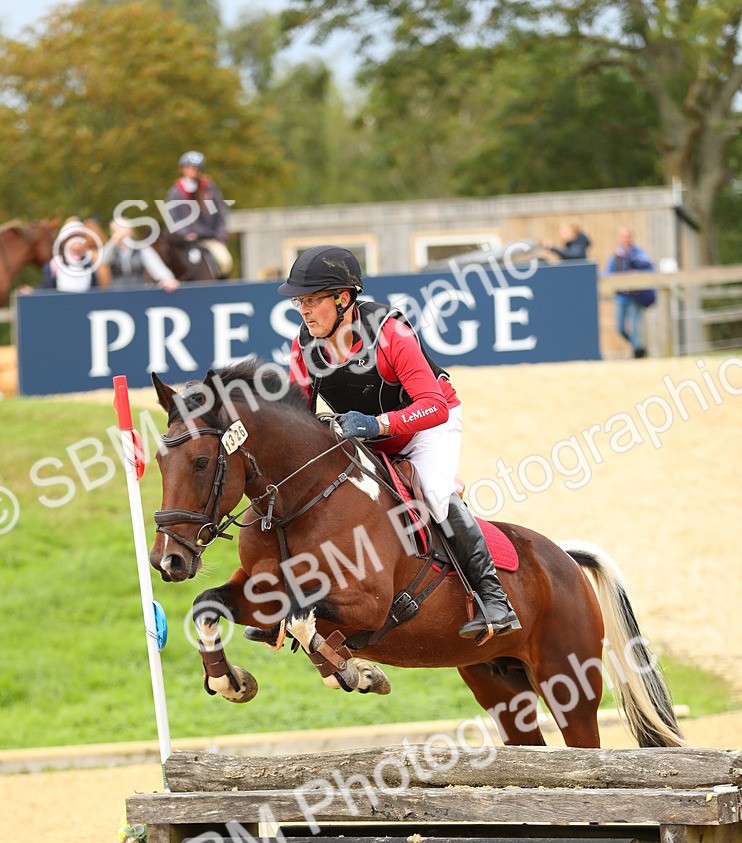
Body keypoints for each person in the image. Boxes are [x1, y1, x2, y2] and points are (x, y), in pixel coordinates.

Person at [277, 245, 521, 640]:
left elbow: (435, 406)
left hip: (426, 426)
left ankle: (495, 599)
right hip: (366, 431)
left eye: (311, 300)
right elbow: (298, 420)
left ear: (343, 298)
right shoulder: (303, 346)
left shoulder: (392, 334)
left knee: (437, 494)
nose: (303, 310)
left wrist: (376, 425)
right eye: (299, 302)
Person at [165, 151, 232, 279]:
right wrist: (185, 234)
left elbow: (221, 213)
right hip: (185, 241)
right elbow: (172, 218)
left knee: (225, 261)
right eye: (188, 167)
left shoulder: (209, 188)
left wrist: (220, 236)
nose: (192, 171)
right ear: (182, 168)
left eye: (196, 168)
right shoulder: (175, 192)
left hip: (209, 238)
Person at [606, 227, 655, 358]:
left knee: (634, 327)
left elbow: (650, 270)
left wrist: (636, 274)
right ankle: (638, 347)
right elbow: (608, 273)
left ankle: (637, 353)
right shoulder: (616, 255)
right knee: (620, 328)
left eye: (627, 236)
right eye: (623, 236)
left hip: (635, 296)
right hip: (621, 296)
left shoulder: (640, 254)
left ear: (632, 238)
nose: (625, 239)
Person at [103, 218, 179, 292]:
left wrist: (168, 279)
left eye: (120, 229)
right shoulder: (112, 250)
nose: (118, 233)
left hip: (139, 292)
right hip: (116, 293)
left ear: (130, 231)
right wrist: (112, 242)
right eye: (114, 231)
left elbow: (156, 266)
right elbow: (102, 261)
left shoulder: (141, 248)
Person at [39, 219, 100, 292]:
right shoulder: (55, 263)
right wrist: (33, 292)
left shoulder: (88, 264)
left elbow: (95, 289)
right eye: (72, 237)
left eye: (79, 237)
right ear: (65, 241)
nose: (76, 240)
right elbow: (46, 289)